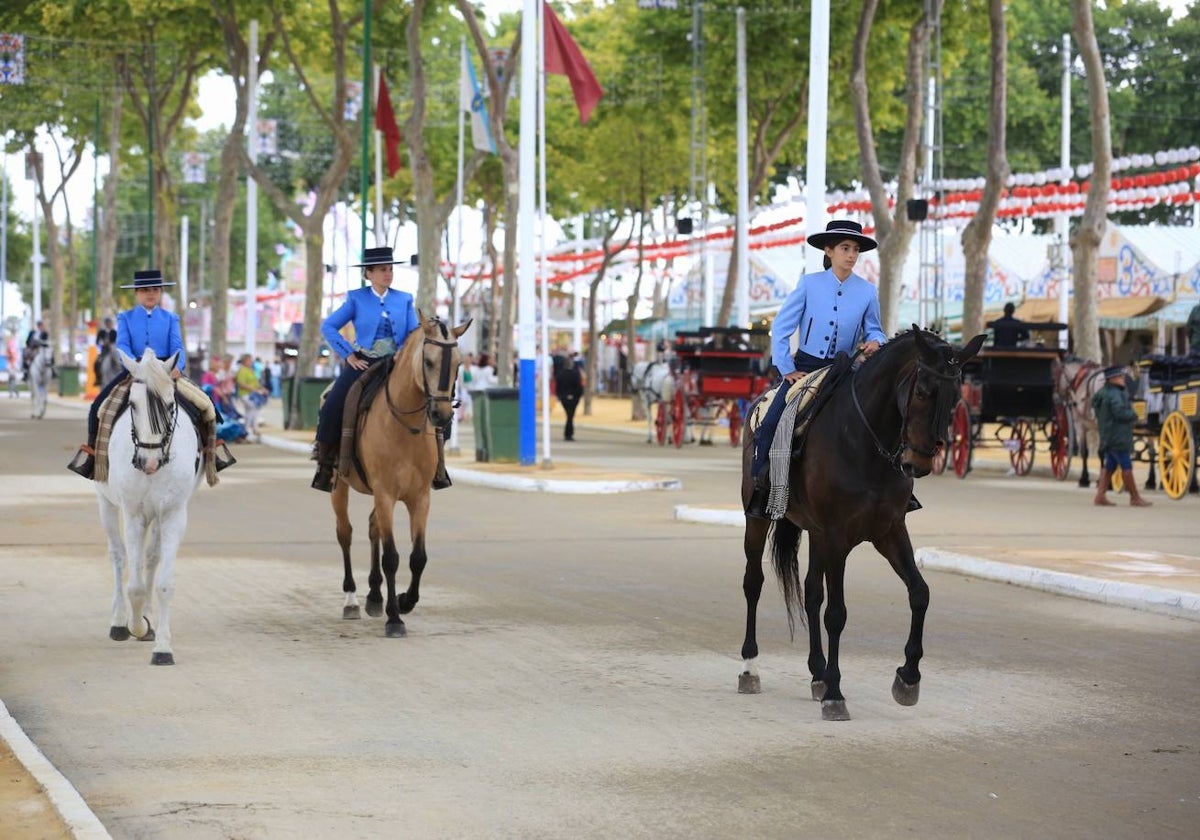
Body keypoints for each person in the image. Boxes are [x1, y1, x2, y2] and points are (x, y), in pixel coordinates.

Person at [746, 219, 889, 519]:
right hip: (805, 369)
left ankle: (895, 489)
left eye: (855, 250)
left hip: (845, 371)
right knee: (773, 421)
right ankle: (763, 486)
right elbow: (781, 327)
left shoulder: (867, 291)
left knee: (881, 418)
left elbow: (874, 330)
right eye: (845, 248)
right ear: (829, 250)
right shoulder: (809, 284)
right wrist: (786, 368)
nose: (851, 255)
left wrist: (876, 341)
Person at [67, 269, 230, 480]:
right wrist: (134, 365)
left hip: (166, 371)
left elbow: (177, 346)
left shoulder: (171, 318)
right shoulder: (125, 317)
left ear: (160, 292)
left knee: (207, 406)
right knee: (98, 407)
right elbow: (123, 345)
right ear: (137, 293)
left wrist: (177, 367)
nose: (150, 294)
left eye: (154, 290)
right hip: (136, 371)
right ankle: (92, 455)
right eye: (145, 290)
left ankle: (212, 453)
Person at [311, 246, 422, 492]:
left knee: (435, 400)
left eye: (390, 269)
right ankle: (325, 463)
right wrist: (348, 354)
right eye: (382, 270)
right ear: (368, 273)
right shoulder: (356, 298)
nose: (388, 274)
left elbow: (414, 332)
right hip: (364, 363)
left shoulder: (404, 299)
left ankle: (437, 466)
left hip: (397, 364)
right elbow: (328, 327)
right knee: (332, 403)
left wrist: (403, 352)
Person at [1091, 366, 1152, 507]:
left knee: (1110, 465)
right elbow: (1119, 412)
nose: (1123, 378)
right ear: (1112, 379)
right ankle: (1135, 497)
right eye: (1120, 376)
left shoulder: (1103, 392)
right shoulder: (1115, 394)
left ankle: (1100, 496)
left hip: (1108, 434)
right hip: (1118, 435)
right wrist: (1134, 415)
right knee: (1126, 465)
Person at [234, 353, 269, 439]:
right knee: (252, 409)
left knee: (252, 410)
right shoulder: (242, 370)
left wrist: (262, 388)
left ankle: (252, 428)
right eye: (249, 360)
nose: (251, 362)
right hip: (245, 394)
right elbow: (241, 383)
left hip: (252, 394)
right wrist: (252, 389)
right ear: (245, 361)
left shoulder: (250, 370)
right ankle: (248, 428)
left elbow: (255, 383)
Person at [556, 353, 585, 441]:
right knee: (570, 415)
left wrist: (560, 396)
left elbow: (558, 386)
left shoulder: (560, 374)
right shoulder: (576, 374)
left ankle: (568, 433)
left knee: (569, 415)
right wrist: (578, 396)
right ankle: (569, 433)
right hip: (574, 397)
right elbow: (579, 387)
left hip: (564, 397)